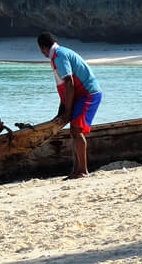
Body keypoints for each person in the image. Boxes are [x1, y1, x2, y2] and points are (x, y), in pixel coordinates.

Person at [38, 31, 102, 179]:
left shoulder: (59, 55)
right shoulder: (58, 54)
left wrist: (67, 111)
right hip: (80, 95)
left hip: (89, 93)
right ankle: (76, 170)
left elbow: (69, 82)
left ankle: (83, 171)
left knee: (76, 130)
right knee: (74, 131)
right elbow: (65, 88)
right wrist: (62, 110)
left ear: (42, 47)